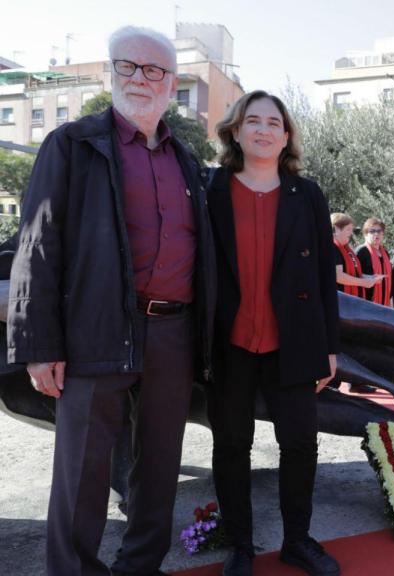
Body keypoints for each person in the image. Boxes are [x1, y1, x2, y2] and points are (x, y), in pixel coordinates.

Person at [6, 26, 216, 576]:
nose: (140, 78)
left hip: (173, 332)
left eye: (154, 70)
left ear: (171, 82)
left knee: (160, 465)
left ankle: (140, 565)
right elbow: (37, 244)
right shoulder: (72, 144)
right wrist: (38, 344)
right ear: (111, 71)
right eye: (128, 66)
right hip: (94, 328)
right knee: (83, 469)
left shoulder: (185, 160)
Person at [206, 91, 341, 576]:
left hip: (294, 341)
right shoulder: (211, 188)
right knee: (231, 445)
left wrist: (329, 348)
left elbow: (324, 275)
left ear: (286, 137)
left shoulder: (308, 195)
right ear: (235, 130)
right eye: (253, 121)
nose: (263, 130)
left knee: (301, 443)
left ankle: (297, 541)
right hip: (229, 343)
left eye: (273, 123)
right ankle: (239, 545)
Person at [332, 212, 383, 298]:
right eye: (348, 229)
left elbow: (353, 273)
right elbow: (338, 276)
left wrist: (369, 278)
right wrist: (363, 282)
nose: (351, 233)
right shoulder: (332, 247)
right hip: (340, 300)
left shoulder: (346, 249)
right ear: (336, 229)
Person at [355, 217, 392, 306]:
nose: (376, 234)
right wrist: (369, 278)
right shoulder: (361, 251)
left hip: (384, 301)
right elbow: (354, 275)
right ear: (365, 234)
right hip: (366, 302)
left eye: (379, 231)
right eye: (372, 231)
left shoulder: (385, 253)